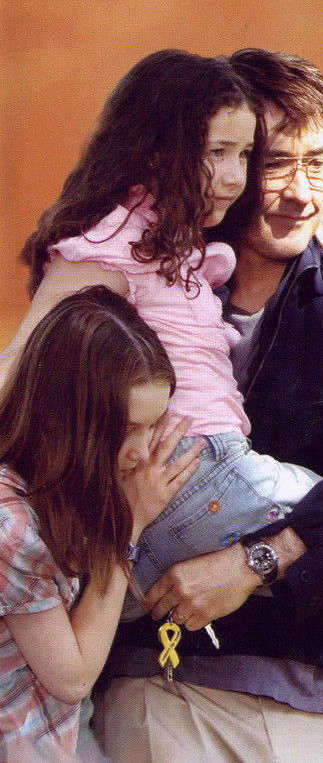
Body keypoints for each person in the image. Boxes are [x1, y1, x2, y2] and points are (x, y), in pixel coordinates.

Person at [4, 49, 323, 762]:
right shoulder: (144, 250)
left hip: (309, 707)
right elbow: (35, 364)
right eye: (270, 163)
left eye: (316, 165)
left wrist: (253, 562)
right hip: (155, 684)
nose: (294, 191)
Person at [0, 286, 202, 762]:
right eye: (127, 429)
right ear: (68, 418)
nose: (144, 451)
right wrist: (128, 528)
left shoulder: (61, 482)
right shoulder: (12, 524)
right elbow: (71, 678)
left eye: (154, 424)